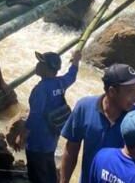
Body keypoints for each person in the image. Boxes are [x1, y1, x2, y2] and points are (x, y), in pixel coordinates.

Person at [59, 63, 135, 183]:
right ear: (112, 92)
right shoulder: (84, 108)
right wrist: (64, 181)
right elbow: (71, 149)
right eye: (130, 92)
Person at [19, 50, 82, 183]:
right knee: (48, 167)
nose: (37, 65)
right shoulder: (60, 83)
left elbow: (34, 118)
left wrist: (23, 136)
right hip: (51, 139)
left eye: (41, 63)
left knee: (36, 175)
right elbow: (72, 75)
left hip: (36, 142)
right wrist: (75, 60)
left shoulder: (40, 90)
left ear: (48, 68)